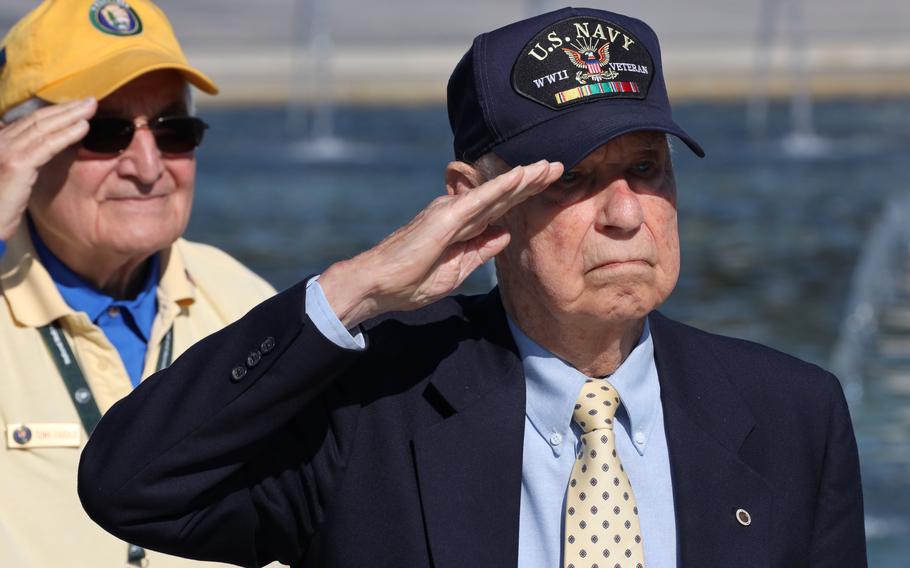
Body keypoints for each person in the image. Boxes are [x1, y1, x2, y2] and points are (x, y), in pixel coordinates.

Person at [79, 7, 866, 568]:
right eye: (574, 180)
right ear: (470, 198)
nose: (625, 213)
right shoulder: (369, 410)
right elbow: (132, 487)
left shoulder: (791, 411)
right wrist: (356, 291)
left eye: (644, 168)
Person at [0, 1, 275, 566]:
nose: (148, 167)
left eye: (174, 131)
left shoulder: (247, 304)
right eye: (104, 132)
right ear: (17, 150)